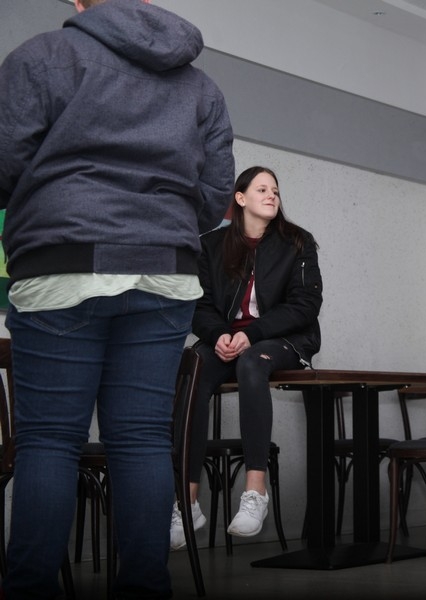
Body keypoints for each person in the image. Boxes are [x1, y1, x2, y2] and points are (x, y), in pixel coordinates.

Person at [0, 0, 234, 596]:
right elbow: (215, 194)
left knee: (50, 441)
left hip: (62, 261)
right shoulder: (201, 86)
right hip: (165, 271)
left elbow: (3, 163)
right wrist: (159, 227)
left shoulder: (43, 57)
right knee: (143, 439)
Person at [169, 166, 323, 550]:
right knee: (193, 369)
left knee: (252, 361)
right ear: (240, 198)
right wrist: (219, 335)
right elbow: (198, 304)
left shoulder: (297, 242)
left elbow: (305, 305)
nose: (272, 195)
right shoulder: (211, 245)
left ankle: (256, 491)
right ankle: (186, 500)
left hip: (282, 340)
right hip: (226, 339)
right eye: (262, 189)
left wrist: (250, 334)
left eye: (275, 190)